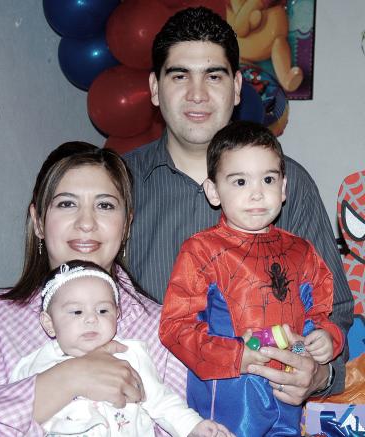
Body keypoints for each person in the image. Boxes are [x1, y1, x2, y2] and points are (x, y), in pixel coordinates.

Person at [123, 6, 353, 404]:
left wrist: (319, 374)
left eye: (214, 76)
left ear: (236, 88)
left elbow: (337, 310)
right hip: (145, 410)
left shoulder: (289, 183)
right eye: (179, 76)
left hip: (263, 409)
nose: (197, 93)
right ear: (156, 88)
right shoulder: (117, 184)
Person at [0, 142, 187, 436]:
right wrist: (68, 378)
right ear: (38, 222)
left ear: (126, 225)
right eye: (67, 204)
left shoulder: (166, 328)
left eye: (105, 205)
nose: (86, 223)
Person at [159, 121, 344, 436]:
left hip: (288, 401)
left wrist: (328, 338)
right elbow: (174, 327)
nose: (257, 193)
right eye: (240, 181)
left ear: (283, 188)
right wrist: (235, 356)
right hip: (229, 406)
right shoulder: (201, 251)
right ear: (214, 191)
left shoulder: (301, 251)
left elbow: (322, 309)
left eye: (268, 179)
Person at [11, 260, 232, 437]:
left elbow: (161, 400)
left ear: (117, 315)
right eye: (76, 312)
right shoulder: (32, 365)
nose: (91, 319)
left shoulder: (129, 354)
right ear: (49, 323)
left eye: (103, 311)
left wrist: (193, 427)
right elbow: (13, 415)